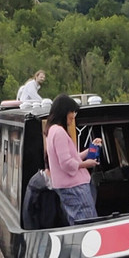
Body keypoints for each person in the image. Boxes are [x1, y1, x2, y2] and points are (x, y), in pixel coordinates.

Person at [44, 93, 100, 223]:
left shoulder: (52, 131)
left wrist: (89, 150)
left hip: (67, 185)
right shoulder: (59, 132)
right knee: (87, 222)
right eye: (72, 111)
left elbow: (70, 158)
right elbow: (66, 163)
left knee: (76, 221)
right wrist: (87, 164)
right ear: (64, 112)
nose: (74, 116)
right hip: (75, 186)